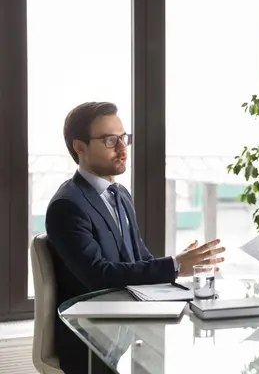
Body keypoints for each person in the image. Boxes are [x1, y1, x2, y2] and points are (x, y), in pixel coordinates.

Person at [46, 101, 225, 374]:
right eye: (109, 140)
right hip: (92, 339)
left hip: (128, 325)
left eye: (123, 138)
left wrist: (179, 269)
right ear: (79, 147)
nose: (122, 148)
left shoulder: (120, 195)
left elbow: (139, 259)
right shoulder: (67, 205)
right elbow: (98, 275)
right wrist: (174, 265)